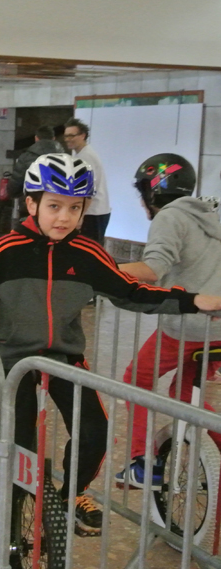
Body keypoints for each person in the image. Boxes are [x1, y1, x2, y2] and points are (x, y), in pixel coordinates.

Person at [0, 153, 221, 556]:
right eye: (54, 206)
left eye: (74, 208)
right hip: (14, 360)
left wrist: (193, 300)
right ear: (32, 204)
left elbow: (133, 292)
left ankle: (69, 495)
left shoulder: (87, 253)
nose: (64, 217)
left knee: (95, 430)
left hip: (65, 357)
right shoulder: (7, 249)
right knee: (20, 448)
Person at [115, 154, 221, 489]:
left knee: (137, 378)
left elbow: (152, 269)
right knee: (181, 391)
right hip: (219, 326)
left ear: (152, 191)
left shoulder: (170, 216)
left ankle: (142, 464)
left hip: (190, 325)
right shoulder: (211, 212)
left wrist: (99, 268)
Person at [64, 117, 110, 244]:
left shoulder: (85, 157)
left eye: (71, 135)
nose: (67, 139)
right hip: (94, 211)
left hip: (93, 213)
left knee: (89, 249)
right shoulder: (80, 154)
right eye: (66, 136)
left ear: (83, 135)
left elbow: (88, 190)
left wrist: (80, 216)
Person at [6, 125, 63, 199]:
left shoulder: (26, 157)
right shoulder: (65, 157)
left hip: (33, 200)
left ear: (36, 138)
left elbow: (15, 185)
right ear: (54, 138)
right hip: (57, 200)